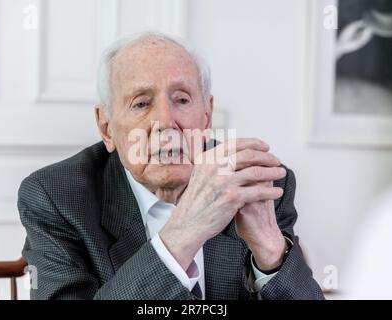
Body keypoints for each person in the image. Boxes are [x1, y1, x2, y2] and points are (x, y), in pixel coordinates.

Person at [18, 32, 324, 300]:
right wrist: (184, 230)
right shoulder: (56, 197)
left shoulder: (256, 185)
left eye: (182, 99)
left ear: (206, 117)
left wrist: (272, 255)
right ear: (107, 127)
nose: (165, 122)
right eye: (141, 103)